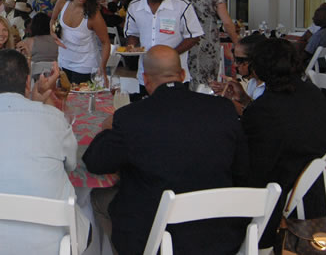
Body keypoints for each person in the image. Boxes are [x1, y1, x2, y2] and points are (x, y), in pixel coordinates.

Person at [83, 45, 249, 255]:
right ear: (181, 75)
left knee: (97, 198)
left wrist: (108, 127)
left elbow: (95, 162)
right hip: (220, 234)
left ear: (146, 80)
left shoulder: (131, 117)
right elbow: (242, 169)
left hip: (156, 239)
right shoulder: (223, 109)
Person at [0, 51, 88, 254]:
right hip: (53, 244)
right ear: (28, 81)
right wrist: (44, 101)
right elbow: (71, 164)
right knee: (87, 205)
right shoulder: (53, 119)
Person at [241, 38, 326, 249]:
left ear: (259, 69)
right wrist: (249, 104)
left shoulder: (265, 109)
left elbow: (254, 163)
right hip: (307, 182)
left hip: (276, 189)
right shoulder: (314, 94)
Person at [124, 0, 204, 97]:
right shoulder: (135, 6)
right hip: (147, 76)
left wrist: (171, 54)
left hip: (175, 75)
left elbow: (194, 36)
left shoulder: (181, 5)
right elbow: (132, 33)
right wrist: (131, 46)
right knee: (148, 113)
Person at [179, 0, 240, 90]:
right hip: (210, 44)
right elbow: (227, 22)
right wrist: (236, 41)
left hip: (186, 43)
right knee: (209, 82)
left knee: (187, 79)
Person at [49, 0, 111, 84]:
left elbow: (105, 42)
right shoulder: (63, 2)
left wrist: (102, 67)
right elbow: (53, 20)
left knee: (80, 100)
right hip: (63, 62)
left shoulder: (93, 15)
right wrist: (53, 32)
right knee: (62, 98)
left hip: (85, 66)